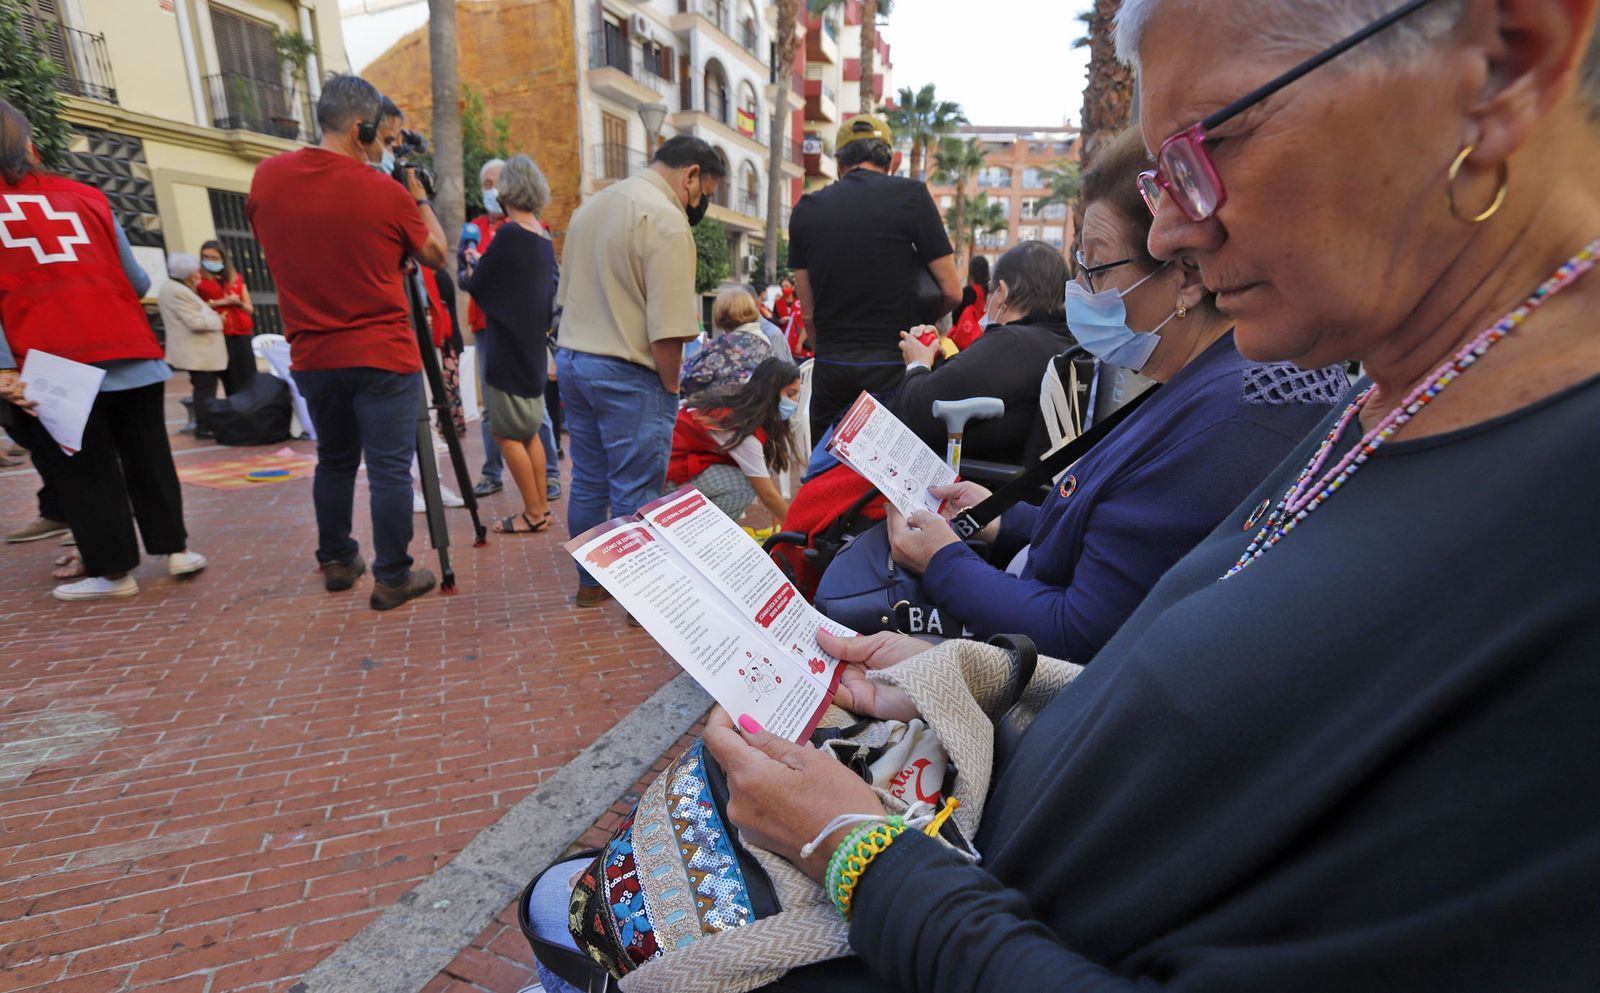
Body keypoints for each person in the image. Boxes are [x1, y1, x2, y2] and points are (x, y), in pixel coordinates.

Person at [686, 0, 1600, 988]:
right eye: (1162, 177)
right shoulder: (1388, 390)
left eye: (1212, 142)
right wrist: (970, 678)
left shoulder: (1550, 531)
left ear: (1505, 65)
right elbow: (1187, 695)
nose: (1172, 229)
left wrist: (857, 854)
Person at [880, 128, 1347, 661]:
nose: (1081, 292)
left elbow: (1080, 633)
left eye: (1097, 268)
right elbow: (1116, 535)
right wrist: (999, 519)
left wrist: (942, 561)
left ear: (1187, 275)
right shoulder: (1208, 379)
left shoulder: (1234, 416)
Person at [247, 75, 449, 611]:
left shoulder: (268, 178)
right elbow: (436, 254)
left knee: (334, 461)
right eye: (384, 137)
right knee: (388, 470)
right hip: (381, 354)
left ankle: (337, 560)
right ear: (361, 128)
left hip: (313, 354)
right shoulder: (384, 192)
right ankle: (392, 577)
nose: (386, 147)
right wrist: (419, 198)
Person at [0, 99, 206, 601]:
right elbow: (136, 281)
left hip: (52, 361)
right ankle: (177, 551)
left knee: (86, 470)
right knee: (149, 457)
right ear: (30, 145)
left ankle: (114, 575)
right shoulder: (88, 196)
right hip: (129, 348)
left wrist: (4, 369)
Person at [557, 135, 724, 608]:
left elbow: (565, 296)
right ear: (691, 175)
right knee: (637, 490)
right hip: (629, 371)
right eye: (705, 193)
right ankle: (644, 602)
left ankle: (591, 584)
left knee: (588, 480)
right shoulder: (666, 219)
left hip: (575, 359)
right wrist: (670, 389)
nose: (700, 204)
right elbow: (669, 329)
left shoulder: (591, 207)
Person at [788, 115, 962, 442]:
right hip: (893, 366)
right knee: (892, 467)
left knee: (829, 465)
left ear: (840, 162)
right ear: (891, 160)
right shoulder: (912, 196)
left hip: (832, 366)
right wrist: (920, 324)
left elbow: (808, 314)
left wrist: (832, 354)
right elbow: (952, 291)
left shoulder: (806, 208)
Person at [891, 241, 1077, 468]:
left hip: (966, 479)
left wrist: (917, 364)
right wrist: (935, 358)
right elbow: (963, 385)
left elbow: (917, 415)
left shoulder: (1014, 343)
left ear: (1002, 293)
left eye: (990, 291)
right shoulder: (1058, 341)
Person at [463, 154, 557, 536]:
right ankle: (541, 509)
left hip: (506, 349)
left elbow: (479, 284)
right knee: (529, 432)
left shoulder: (508, 234)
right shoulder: (542, 237)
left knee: (504, 433)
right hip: (531, 349)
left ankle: (532, 512)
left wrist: (474, 264)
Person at [667, 358, 802, 525]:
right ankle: (704, 531)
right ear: (770, 393)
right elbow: (767, 495)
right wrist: (799, 529)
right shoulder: (741, 429)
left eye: (796, 394)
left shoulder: (739, 404)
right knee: (745, 485)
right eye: (790, 394)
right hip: (665, 475)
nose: (794, 401)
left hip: (668, 463)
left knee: (760, 472)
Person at [158, 253, 227, 440]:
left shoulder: (176, 288)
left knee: (205, 389)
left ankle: (206, 424)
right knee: (205, 390)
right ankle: (204, 426)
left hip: (198, 351)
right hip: (197, 352)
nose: (198, 274)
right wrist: (218, 319)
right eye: (196, 272)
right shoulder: (178, 291)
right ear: (188, 274)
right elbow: (195, 322)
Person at [680, 285, 779, 394]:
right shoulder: (764, 341)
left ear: (721, 313)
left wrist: (701, 354)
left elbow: (688, 379)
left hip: (727, 403)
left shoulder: (725, 344)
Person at [194, 239, 256, 394]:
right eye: (206, 257)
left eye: (214, 258)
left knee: (248, 374)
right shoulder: (197, 279)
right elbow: (195, 307)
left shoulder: (236, 277)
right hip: (220, 332)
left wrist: (238, 303)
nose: (209, 261)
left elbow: (249, 308)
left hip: (242, 331)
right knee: (231, 376)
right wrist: (220, 302)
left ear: (223, 258)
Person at [945, 254, 989, 351]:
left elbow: (956, 316)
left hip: (966, 340)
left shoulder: (969, 291)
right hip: (984, 337)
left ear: (972, 271)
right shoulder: (990, 292)